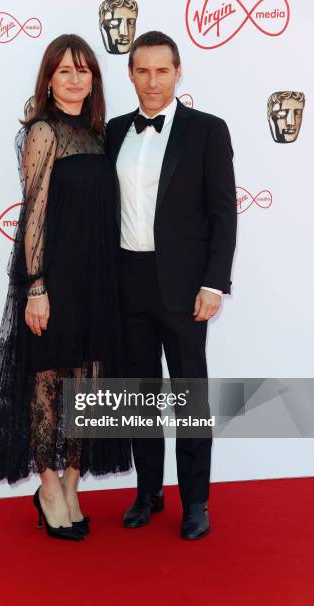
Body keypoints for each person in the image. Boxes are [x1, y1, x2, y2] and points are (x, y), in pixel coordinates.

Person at [0, 34, 131, 541]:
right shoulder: (43, 132)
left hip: (99, 277)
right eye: (65, 70)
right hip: (54, 279)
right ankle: (47, 486)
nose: (75, 79)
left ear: (94, 79)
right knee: (48, 379)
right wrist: (35, 286)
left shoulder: (98, 135)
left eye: (85, 71)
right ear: (48, 80)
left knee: (89, 383)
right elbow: (34, 215)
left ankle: (72, 482)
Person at [106, 31, 237, 539]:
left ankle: (196, 502)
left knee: (188, 398)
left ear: (179, 72)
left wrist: (214, 284)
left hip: (185, 289)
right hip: (127, 282)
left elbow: (224, 214)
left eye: (163, 71)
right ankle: (148, 493)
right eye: (143, 71)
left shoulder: (207, 130)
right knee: (137, 395)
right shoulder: (115, 131)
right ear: (131, 74)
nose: (153, 81)